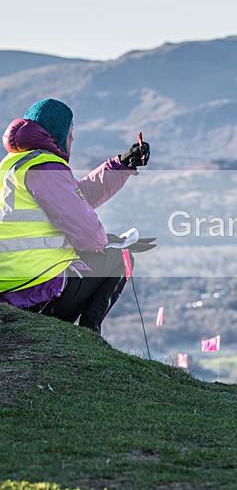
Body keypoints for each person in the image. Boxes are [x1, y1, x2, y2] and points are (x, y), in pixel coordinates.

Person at [0, 98, 151, 334]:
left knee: (106, 247)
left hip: (9, 289)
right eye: (71, 132)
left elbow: (73, 198)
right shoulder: (46, 167)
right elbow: (90, 237)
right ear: (60, 134)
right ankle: (89, 335)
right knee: (119, 256)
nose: (72, 139)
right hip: (36, 293)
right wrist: (113, 242)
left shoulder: (13, 165)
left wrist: (121, 165)